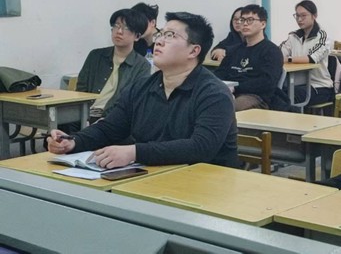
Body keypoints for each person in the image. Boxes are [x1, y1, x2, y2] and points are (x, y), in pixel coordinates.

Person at [48, 12, 238, 168]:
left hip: (206, 184)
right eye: (160, 34)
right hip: (153, 177)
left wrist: (134, 152)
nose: (159, 41)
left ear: (194, 51)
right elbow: (110, 128)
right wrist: (74, 142)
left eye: (170, 36)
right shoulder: (141, 87)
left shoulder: (214, 94)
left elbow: (201, 148)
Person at [76, 9, 151, 123]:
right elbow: (80, 90)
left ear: (137, 36)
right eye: (116, 26)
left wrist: (105, 120)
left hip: (112, 120)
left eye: (126, 28)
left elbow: (133, 101)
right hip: (83, 114)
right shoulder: (95, 56)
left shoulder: (142, 66)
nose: (119, 31)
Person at [214, 4, 285, 111]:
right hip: (229, 92)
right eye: (242, 20)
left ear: (263, 24)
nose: (245, 24)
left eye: (250, 20)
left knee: (228, 107)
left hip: (256, 97)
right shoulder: (234, 50)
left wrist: (236, 87)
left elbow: (267, 82)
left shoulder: (271, 51)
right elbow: (220, 73)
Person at [279, 0, 334, 106]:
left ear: (314, 16)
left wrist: (288, 59)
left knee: (286, 98)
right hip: (295, 84)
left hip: (319, 86)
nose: (299, 19)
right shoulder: (293, 36)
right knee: (275, 94)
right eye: (297, 16)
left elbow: (312, 58)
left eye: (303, 16)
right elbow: (279, 54)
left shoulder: (323, 36)